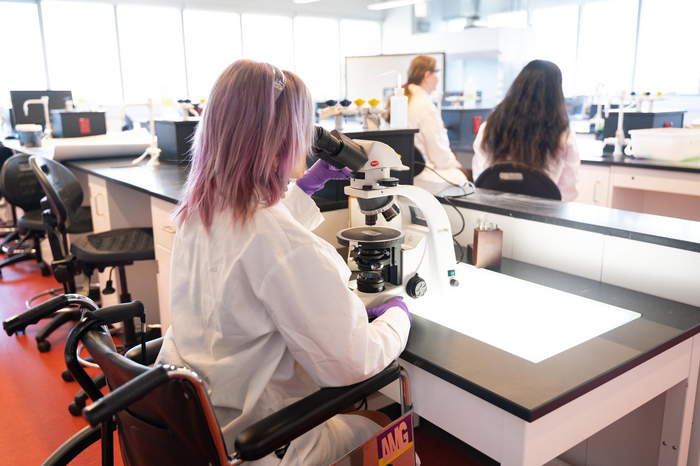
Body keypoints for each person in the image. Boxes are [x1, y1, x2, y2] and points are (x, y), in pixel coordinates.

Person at [156, 60, 412, 466]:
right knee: (385, 427)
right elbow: (352, 362)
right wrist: (399, 315)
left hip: (199, 426)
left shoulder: (202, 210)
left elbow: (257, 238)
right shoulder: (278, 240)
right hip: (263, 442)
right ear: (280, 135)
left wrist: (305, 185)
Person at [472, 60, 580, 201]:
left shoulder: (489, 128)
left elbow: (480, 178)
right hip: (542, 217)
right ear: (556, 92)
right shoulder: (563, 135)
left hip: (494, 213)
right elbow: (568, 191)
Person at [387, 55, 468, 196]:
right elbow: (440, 156)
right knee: (461, 177)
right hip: (422, 177)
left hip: (402, 174)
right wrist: (458, 167)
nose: (438, 78)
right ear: (427, 75)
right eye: (437, 73)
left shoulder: (405, 98)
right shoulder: (425, 105)